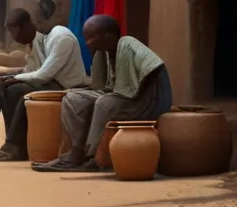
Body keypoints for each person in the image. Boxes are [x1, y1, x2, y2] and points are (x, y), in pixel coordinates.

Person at [0, 0, 88, 161]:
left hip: (65, 87)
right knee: (1, 86)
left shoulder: (61, 38)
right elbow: (32, 70)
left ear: (28, 25)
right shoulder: (38, 42)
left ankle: (12, 145)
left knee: (15, 90)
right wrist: (9, 76)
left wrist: (14, 78)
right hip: (50, 82)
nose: (13, 37)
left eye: (15, 31)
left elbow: (44, 74)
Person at [32, 15, 172, 172]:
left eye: (91, 37)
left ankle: (94, 158)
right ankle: (75, 153)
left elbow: (153, 67)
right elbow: (100, 85)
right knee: (73, 97)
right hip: (120, 95)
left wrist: (138, 93)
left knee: (105, 104)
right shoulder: (103, 51)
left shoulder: (127, 43)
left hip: (146, 100)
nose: (87, 43)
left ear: (107, 35)